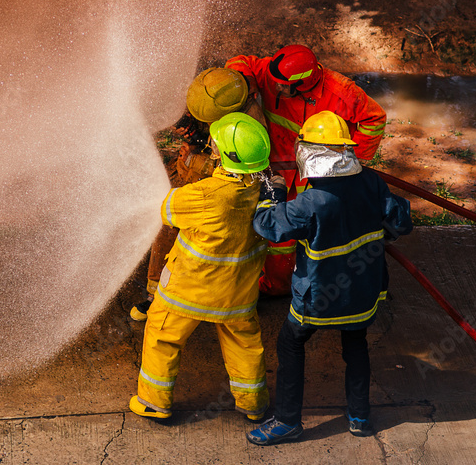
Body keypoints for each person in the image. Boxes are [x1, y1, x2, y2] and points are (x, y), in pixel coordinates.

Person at [245, 111, 413, 445]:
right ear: (345, 150)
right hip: (364, 293)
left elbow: (268, 226)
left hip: (319, 297)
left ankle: (288, 422)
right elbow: (401, 220)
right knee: (355, 344)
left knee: (290, 344)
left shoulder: (309, 203)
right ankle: (359, 417)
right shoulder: (371, 183)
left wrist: (272, 194)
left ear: (309, 153)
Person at [130, 112, 271, 423]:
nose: (212, 147)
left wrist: (192, 173)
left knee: (161, 336)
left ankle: (154, 402)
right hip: (238, 294)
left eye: (215, 146)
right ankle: (253, 404)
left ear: (224, 155)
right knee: (245, 345)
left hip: (188, 291)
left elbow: (167, 210)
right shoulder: (265, 189)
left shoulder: (204, 194)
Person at [226, 45, 387, 296]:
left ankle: (279, 286)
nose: (275, 87)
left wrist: (355, 163)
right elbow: (239, 61)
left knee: (290, 233)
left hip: (313, 176)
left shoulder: (340, 92)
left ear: (302, 83)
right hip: (271, 166)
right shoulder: (274, 73)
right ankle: (276, 278)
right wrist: (250, 93)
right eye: (274, 82)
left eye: (282, 86)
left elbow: (374, 118)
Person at [130, 67, 265, 321]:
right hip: (202, 169)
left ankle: (161, 294)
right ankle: (154, 289)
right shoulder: (221, 88)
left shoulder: (251, 124)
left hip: (221, 188)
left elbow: (245, 172)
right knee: (168, 215)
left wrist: (200, 162)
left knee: (173, 217)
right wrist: (193, 135)